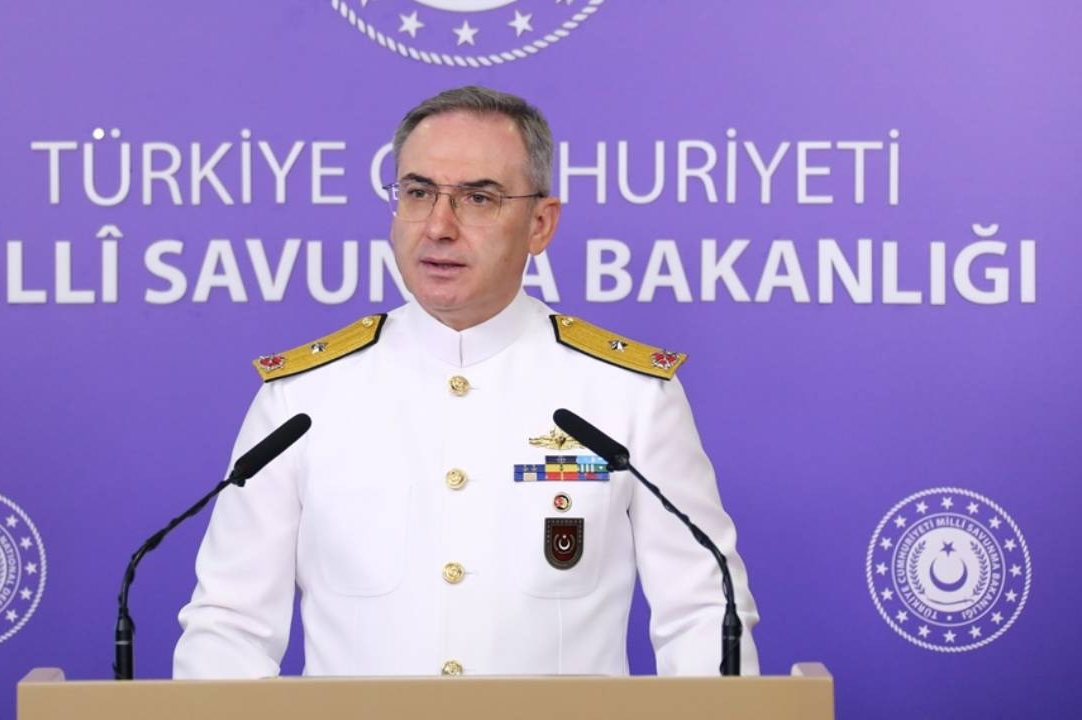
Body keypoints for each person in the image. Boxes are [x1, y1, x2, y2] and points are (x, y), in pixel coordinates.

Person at [173, 86, 759, 678]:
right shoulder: (301, 400)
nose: (438, 226)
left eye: (478, 198)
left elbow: (704, 614)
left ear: (540, 224)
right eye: (418, 193)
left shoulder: (627, 393)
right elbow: (229, 628)